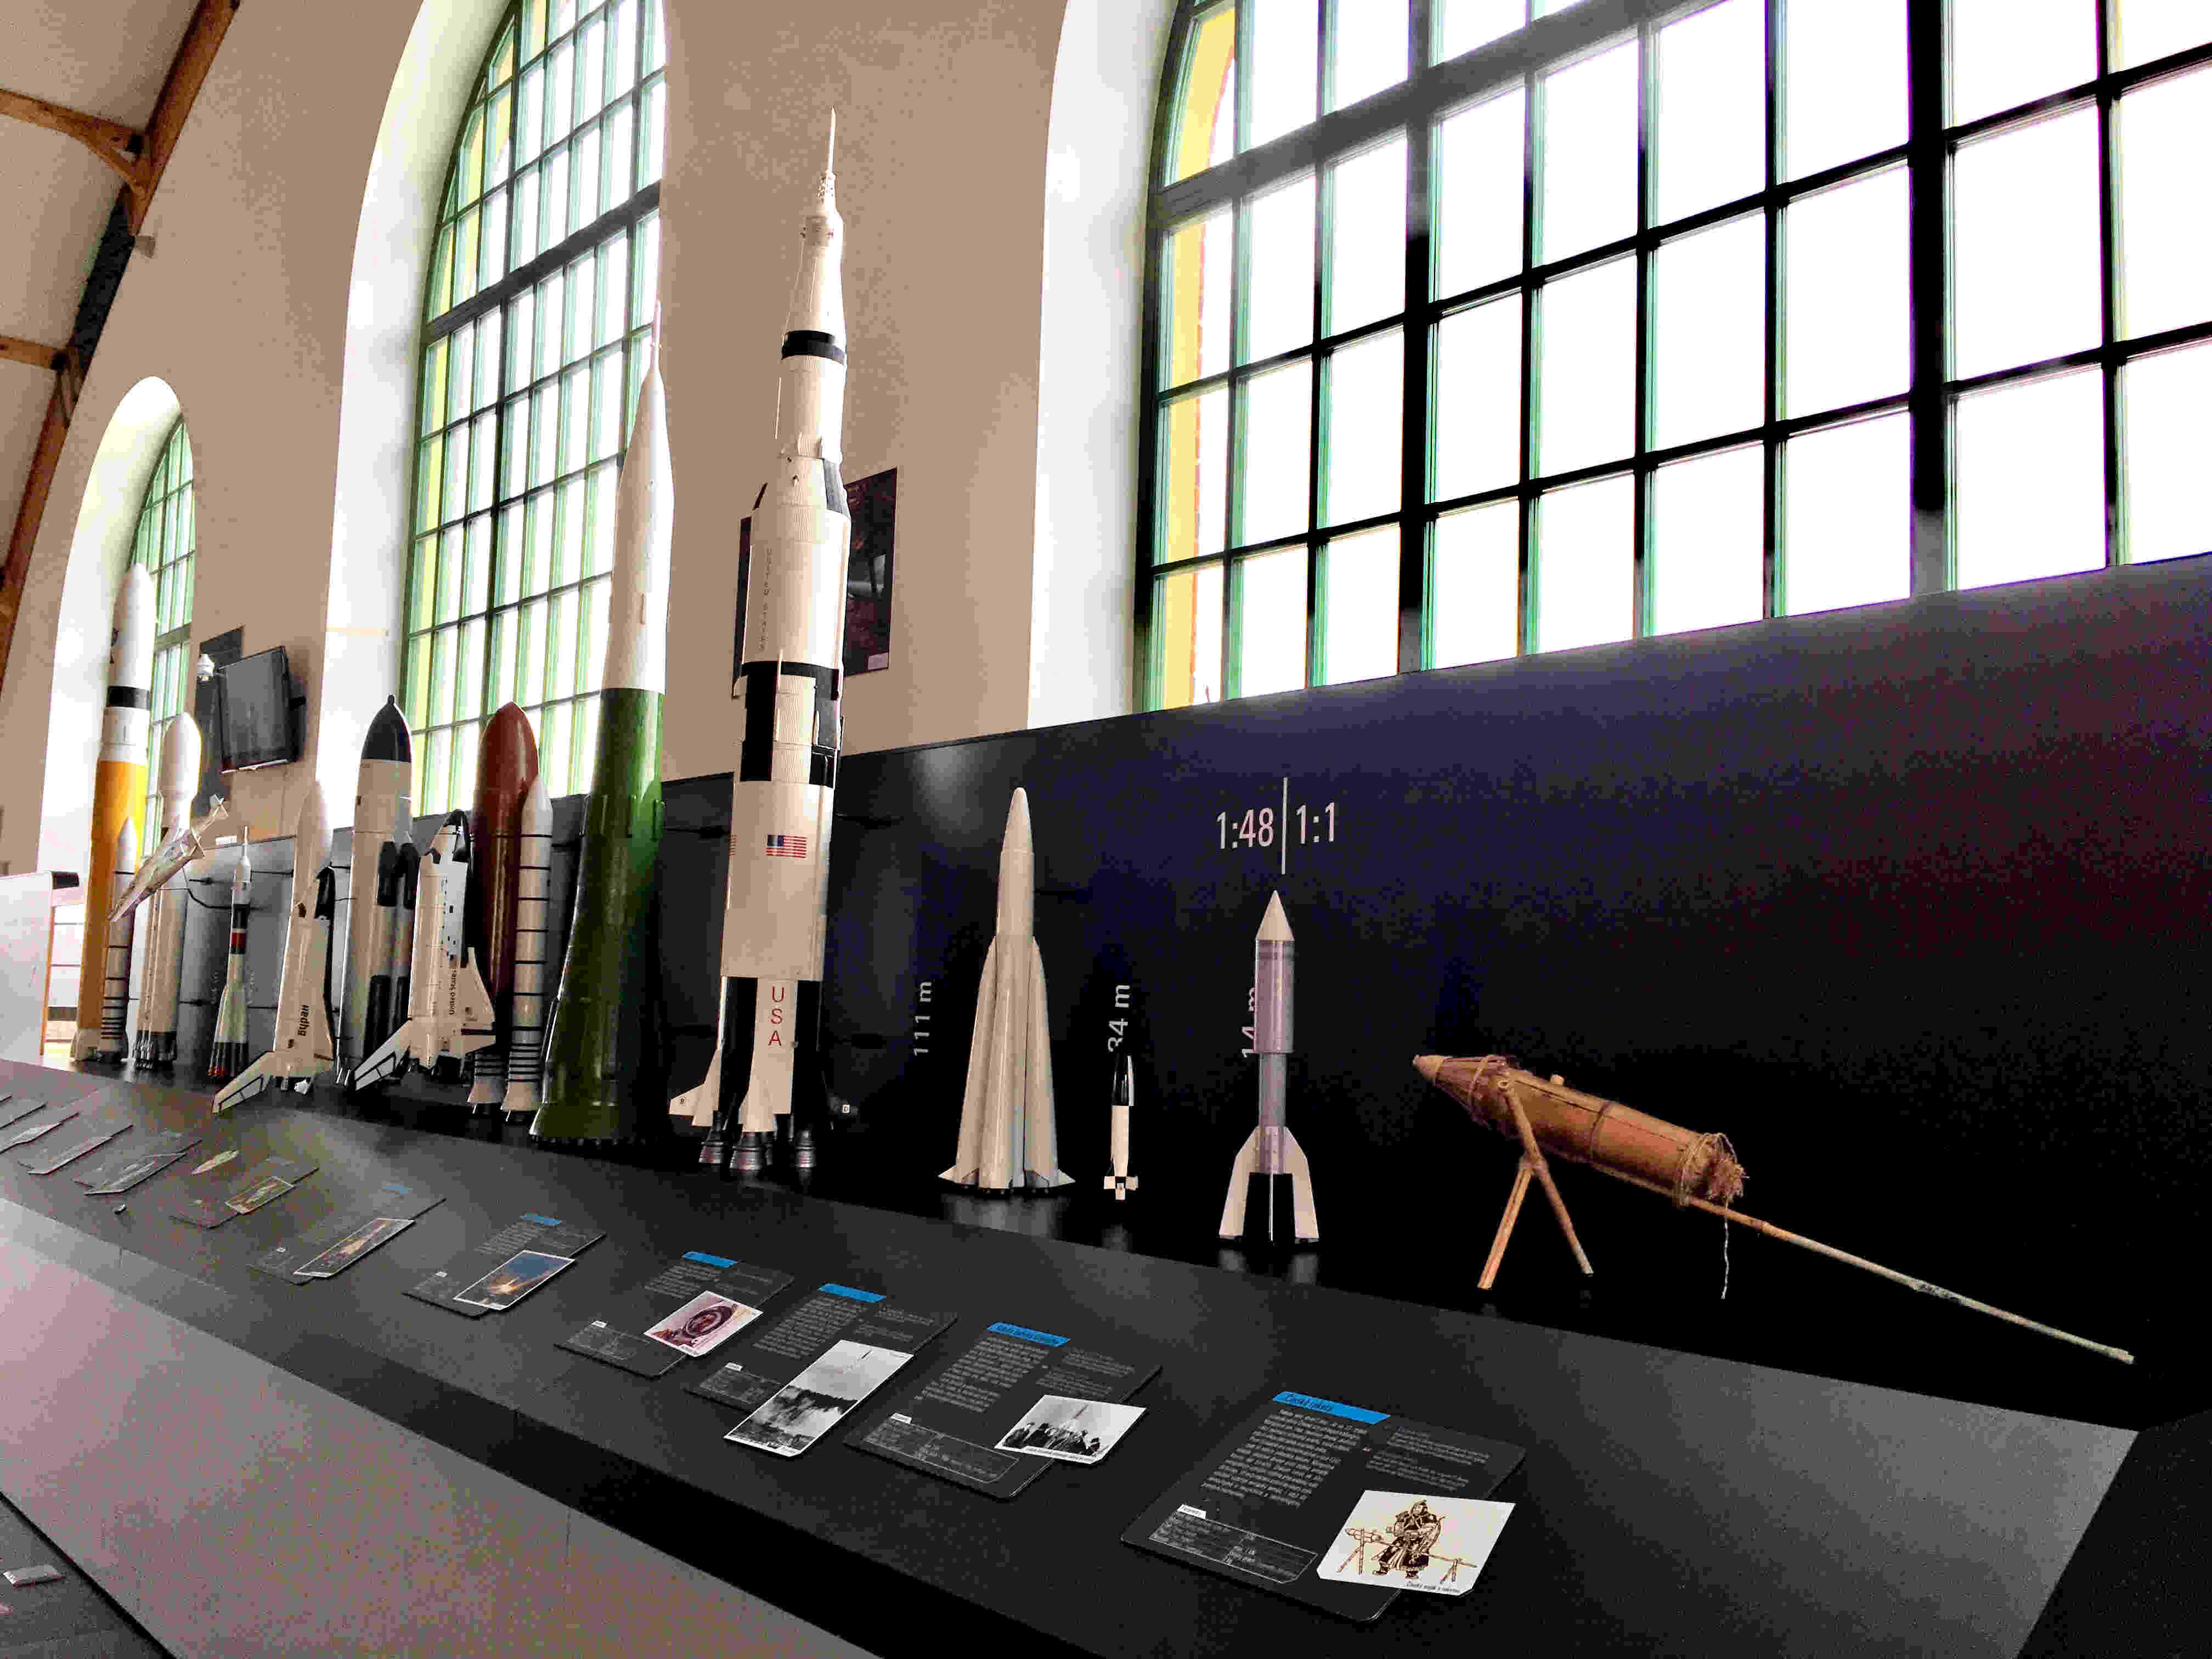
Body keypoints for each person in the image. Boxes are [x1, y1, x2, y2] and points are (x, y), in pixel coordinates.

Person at [1375, 1499, 1443, 1579]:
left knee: (1413, 1556)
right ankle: (1384, 1569)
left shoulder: (1429, 1518)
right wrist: (1397, 1528)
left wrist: (1416, 1533)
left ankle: (1412, 1574)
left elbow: (1429, 1529)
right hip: (1403, 1539)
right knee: (1392, 1551)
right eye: (1415, 1508)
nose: (1416, 1510)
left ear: (1424, 1509)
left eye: (1419, 1508)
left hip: (1417, 1541)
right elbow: (1399, 1528)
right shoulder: (1407, 1516)